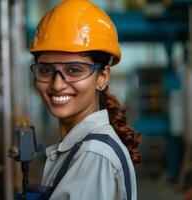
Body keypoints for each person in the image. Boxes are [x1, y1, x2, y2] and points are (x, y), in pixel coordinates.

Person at [28, 0, 142, 199]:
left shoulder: (93, 156)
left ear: (102, 77)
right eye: (46, 70)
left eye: (74, 70)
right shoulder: (80, 147)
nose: (57, 85)